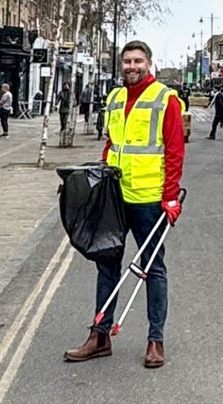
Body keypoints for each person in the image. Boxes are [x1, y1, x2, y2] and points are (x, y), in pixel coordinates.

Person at [65, 41, 184, 370]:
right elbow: (112, 143)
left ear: (149, 63)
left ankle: (155, 340)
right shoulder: (115, 98)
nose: (132, 66)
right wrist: (101, 176)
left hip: (149, 199)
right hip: (115, 198)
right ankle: (100, 336)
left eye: (138, 61)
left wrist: (170, 196)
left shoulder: (165, 98)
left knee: (153, 269)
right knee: (106, 265)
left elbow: (174, 150)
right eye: (127, 61)